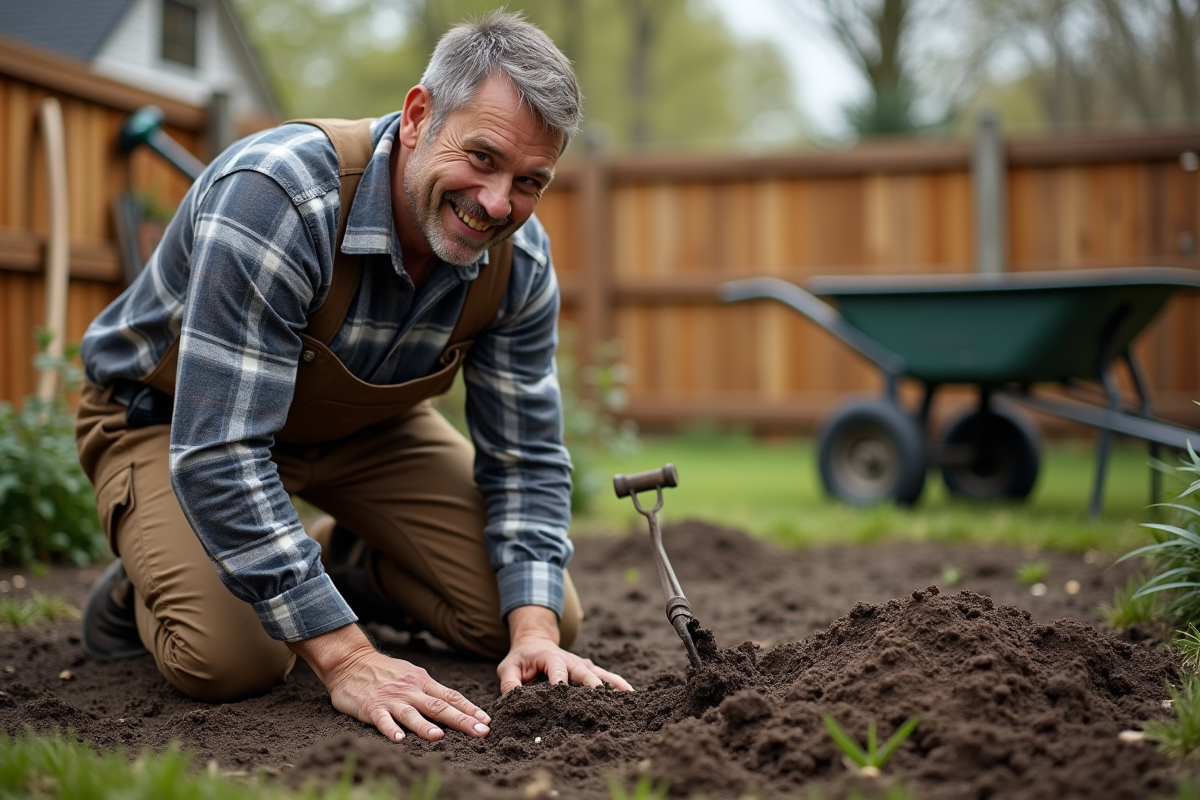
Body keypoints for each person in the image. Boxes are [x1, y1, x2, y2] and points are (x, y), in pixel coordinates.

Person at [75, 10, 631, 744]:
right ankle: (153, 576)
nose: (498, 204)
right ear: (417, 115)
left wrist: (533, 634)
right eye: (484, 159)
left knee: (538, 607)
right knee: (233, 660)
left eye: (530, 181)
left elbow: (526, 456)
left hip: (362, 432)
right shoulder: (279, 196)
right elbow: (219, 453)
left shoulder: (517, 261)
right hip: (174, 419)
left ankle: (344, 561)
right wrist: (348, 657)